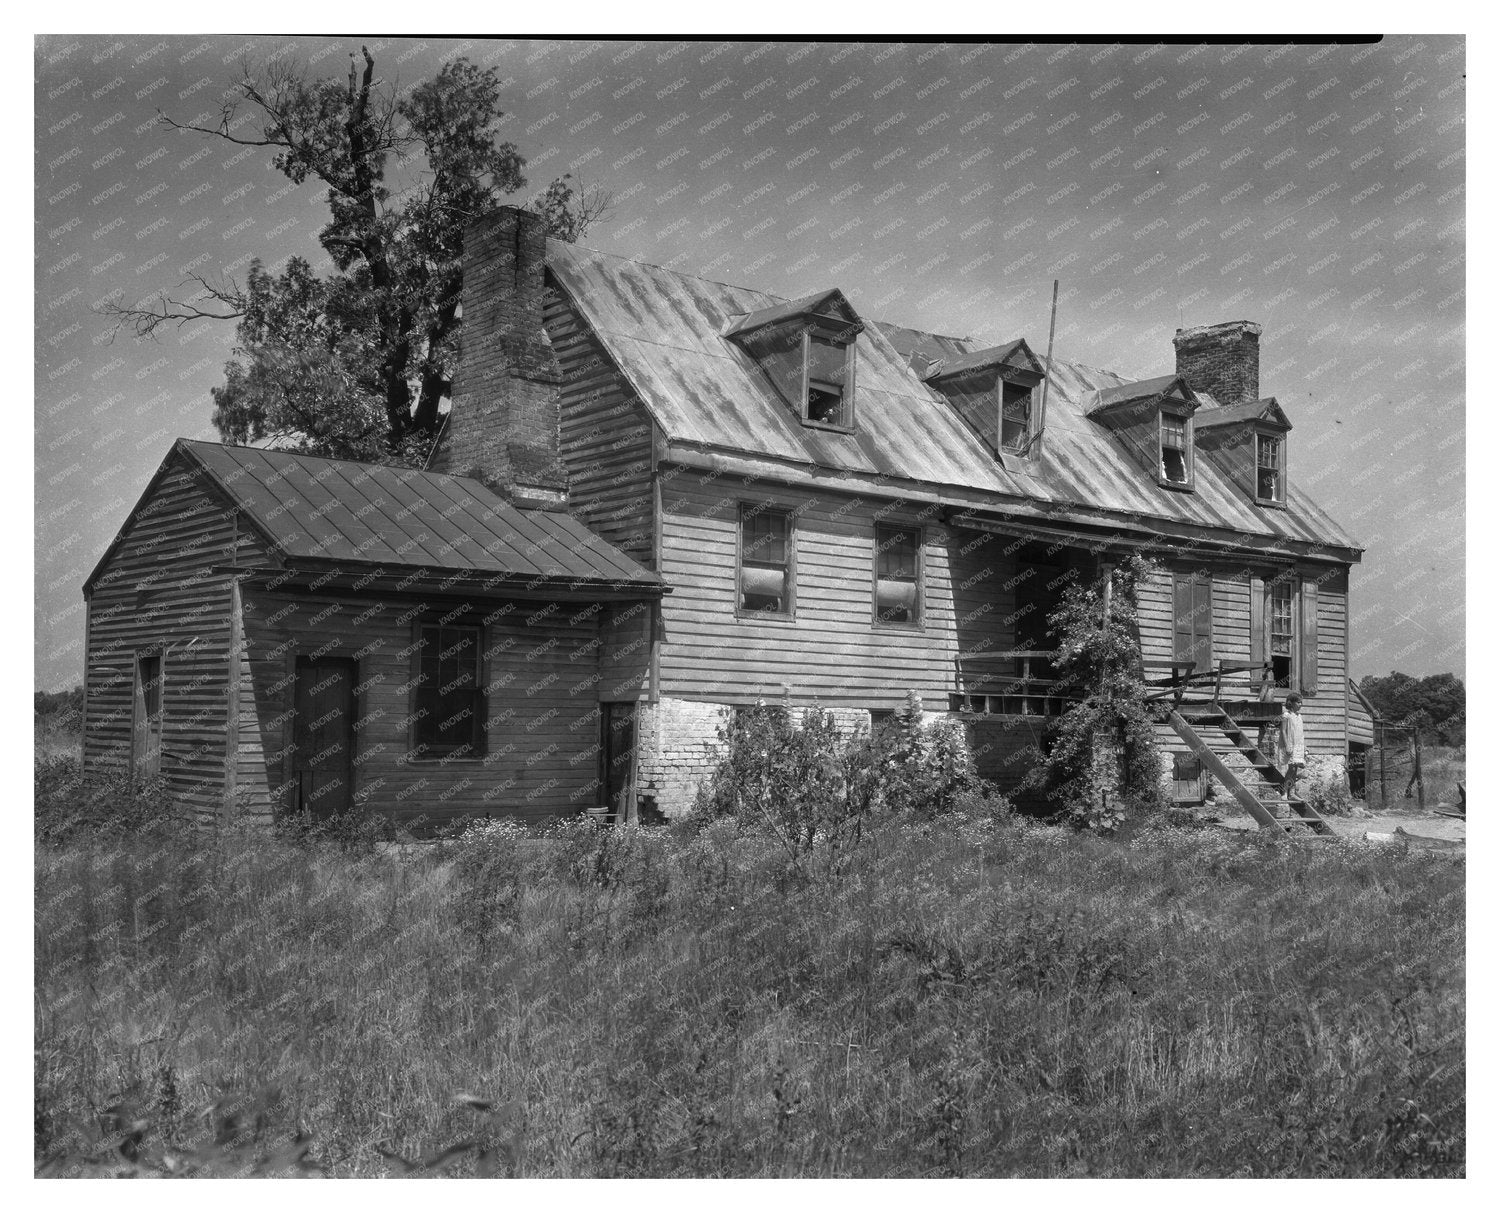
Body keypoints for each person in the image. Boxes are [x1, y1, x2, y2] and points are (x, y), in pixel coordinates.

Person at [1280, 693, 1306, 801]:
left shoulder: (1299, 717)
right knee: (1290, 769)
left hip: (1298, 745)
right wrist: (1287, 746)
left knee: (1296, 770)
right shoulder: (1286, 716)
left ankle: (1292, 793)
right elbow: (1283, 731)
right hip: (1290, 745)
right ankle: (1285, 791)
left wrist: (1305, 748)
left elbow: (1301, 733)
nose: (1300, 704)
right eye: (1298, 702)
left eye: (1301, 702)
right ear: (1291, 703)